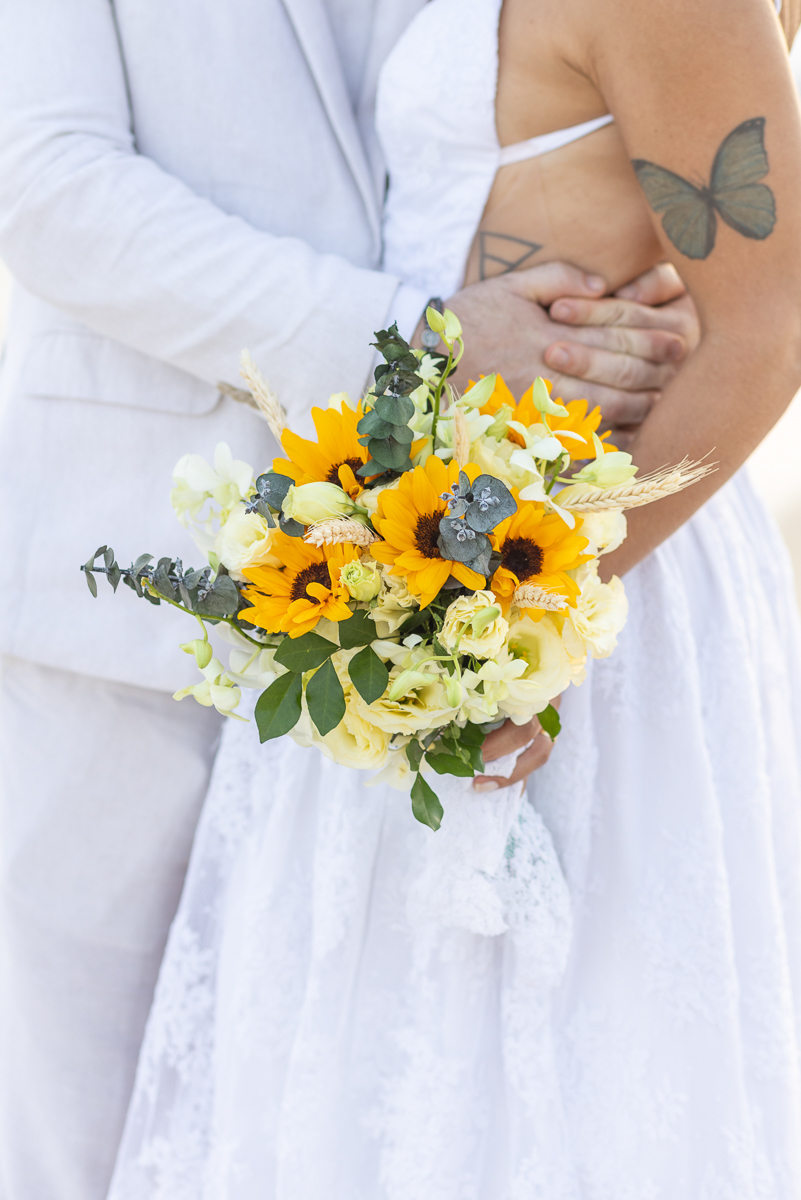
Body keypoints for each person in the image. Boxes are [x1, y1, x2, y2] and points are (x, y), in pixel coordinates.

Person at [0, 4, 698, 1199]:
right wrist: (413, 338)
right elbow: (44, 180)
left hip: (429, 614)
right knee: (80, 1138)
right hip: (121, 599)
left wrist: (656, 280)